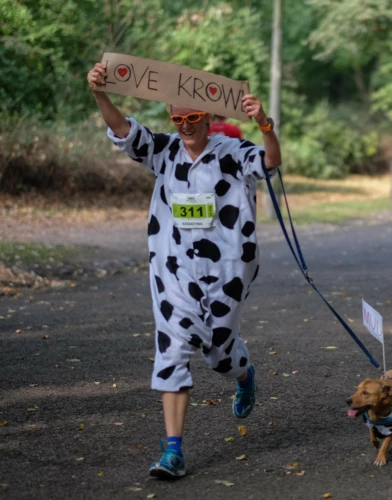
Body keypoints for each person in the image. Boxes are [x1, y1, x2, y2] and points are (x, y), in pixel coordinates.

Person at [87, 62, 281, 479]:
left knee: (219, 355)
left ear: (209, 117)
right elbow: (123, 130)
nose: (185, 126)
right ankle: (172, 450)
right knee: (173, 348)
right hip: (172, 270)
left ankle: (244, 372)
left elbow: (269, 162)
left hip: (229, 268)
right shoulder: (164, 151)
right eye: (178, 119)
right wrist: (101, 94)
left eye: (193, 118)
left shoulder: (233, 153)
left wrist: (265, 124)